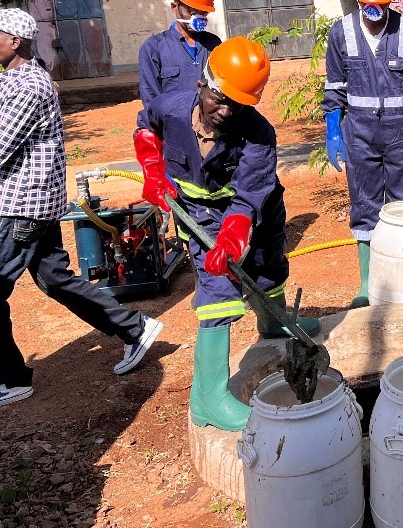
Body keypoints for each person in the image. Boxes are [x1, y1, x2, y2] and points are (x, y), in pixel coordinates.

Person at [0, 9, 162, 412]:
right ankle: (135, 327)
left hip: (17, 206)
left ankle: (11, 377)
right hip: (32, 200)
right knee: (55, 279)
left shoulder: (27, 87)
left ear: (15, 41)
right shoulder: (18, 78)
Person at [134, 36, 318, 432]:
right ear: (203, 82)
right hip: (200, 214)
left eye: (238, 103)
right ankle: (209, 399)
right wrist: (152, 167)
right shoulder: (171, 107)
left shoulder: (258, 134)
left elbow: (249, 196)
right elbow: (145, 129)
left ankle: (272, 322)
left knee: (267, 264)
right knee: (218, 292)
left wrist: (235, 234)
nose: (226, 110)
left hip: (254, 211)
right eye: (220, 98)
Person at [322, 0, 403, 308]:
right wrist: (332, 130)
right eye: (367, 2)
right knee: (365, 202)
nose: (373, 9)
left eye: (380, 3)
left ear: (390, 0)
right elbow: (334, 89)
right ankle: (367, 283)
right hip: (359, 131)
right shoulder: (341, 33)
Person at [138, 0, 222, 106]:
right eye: (192, 11)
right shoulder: (154, 48)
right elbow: (151, 99)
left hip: (207, 122)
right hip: (173, 124)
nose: (198, 17)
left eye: (203, 12)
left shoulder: (213, 44)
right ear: (174, 7)